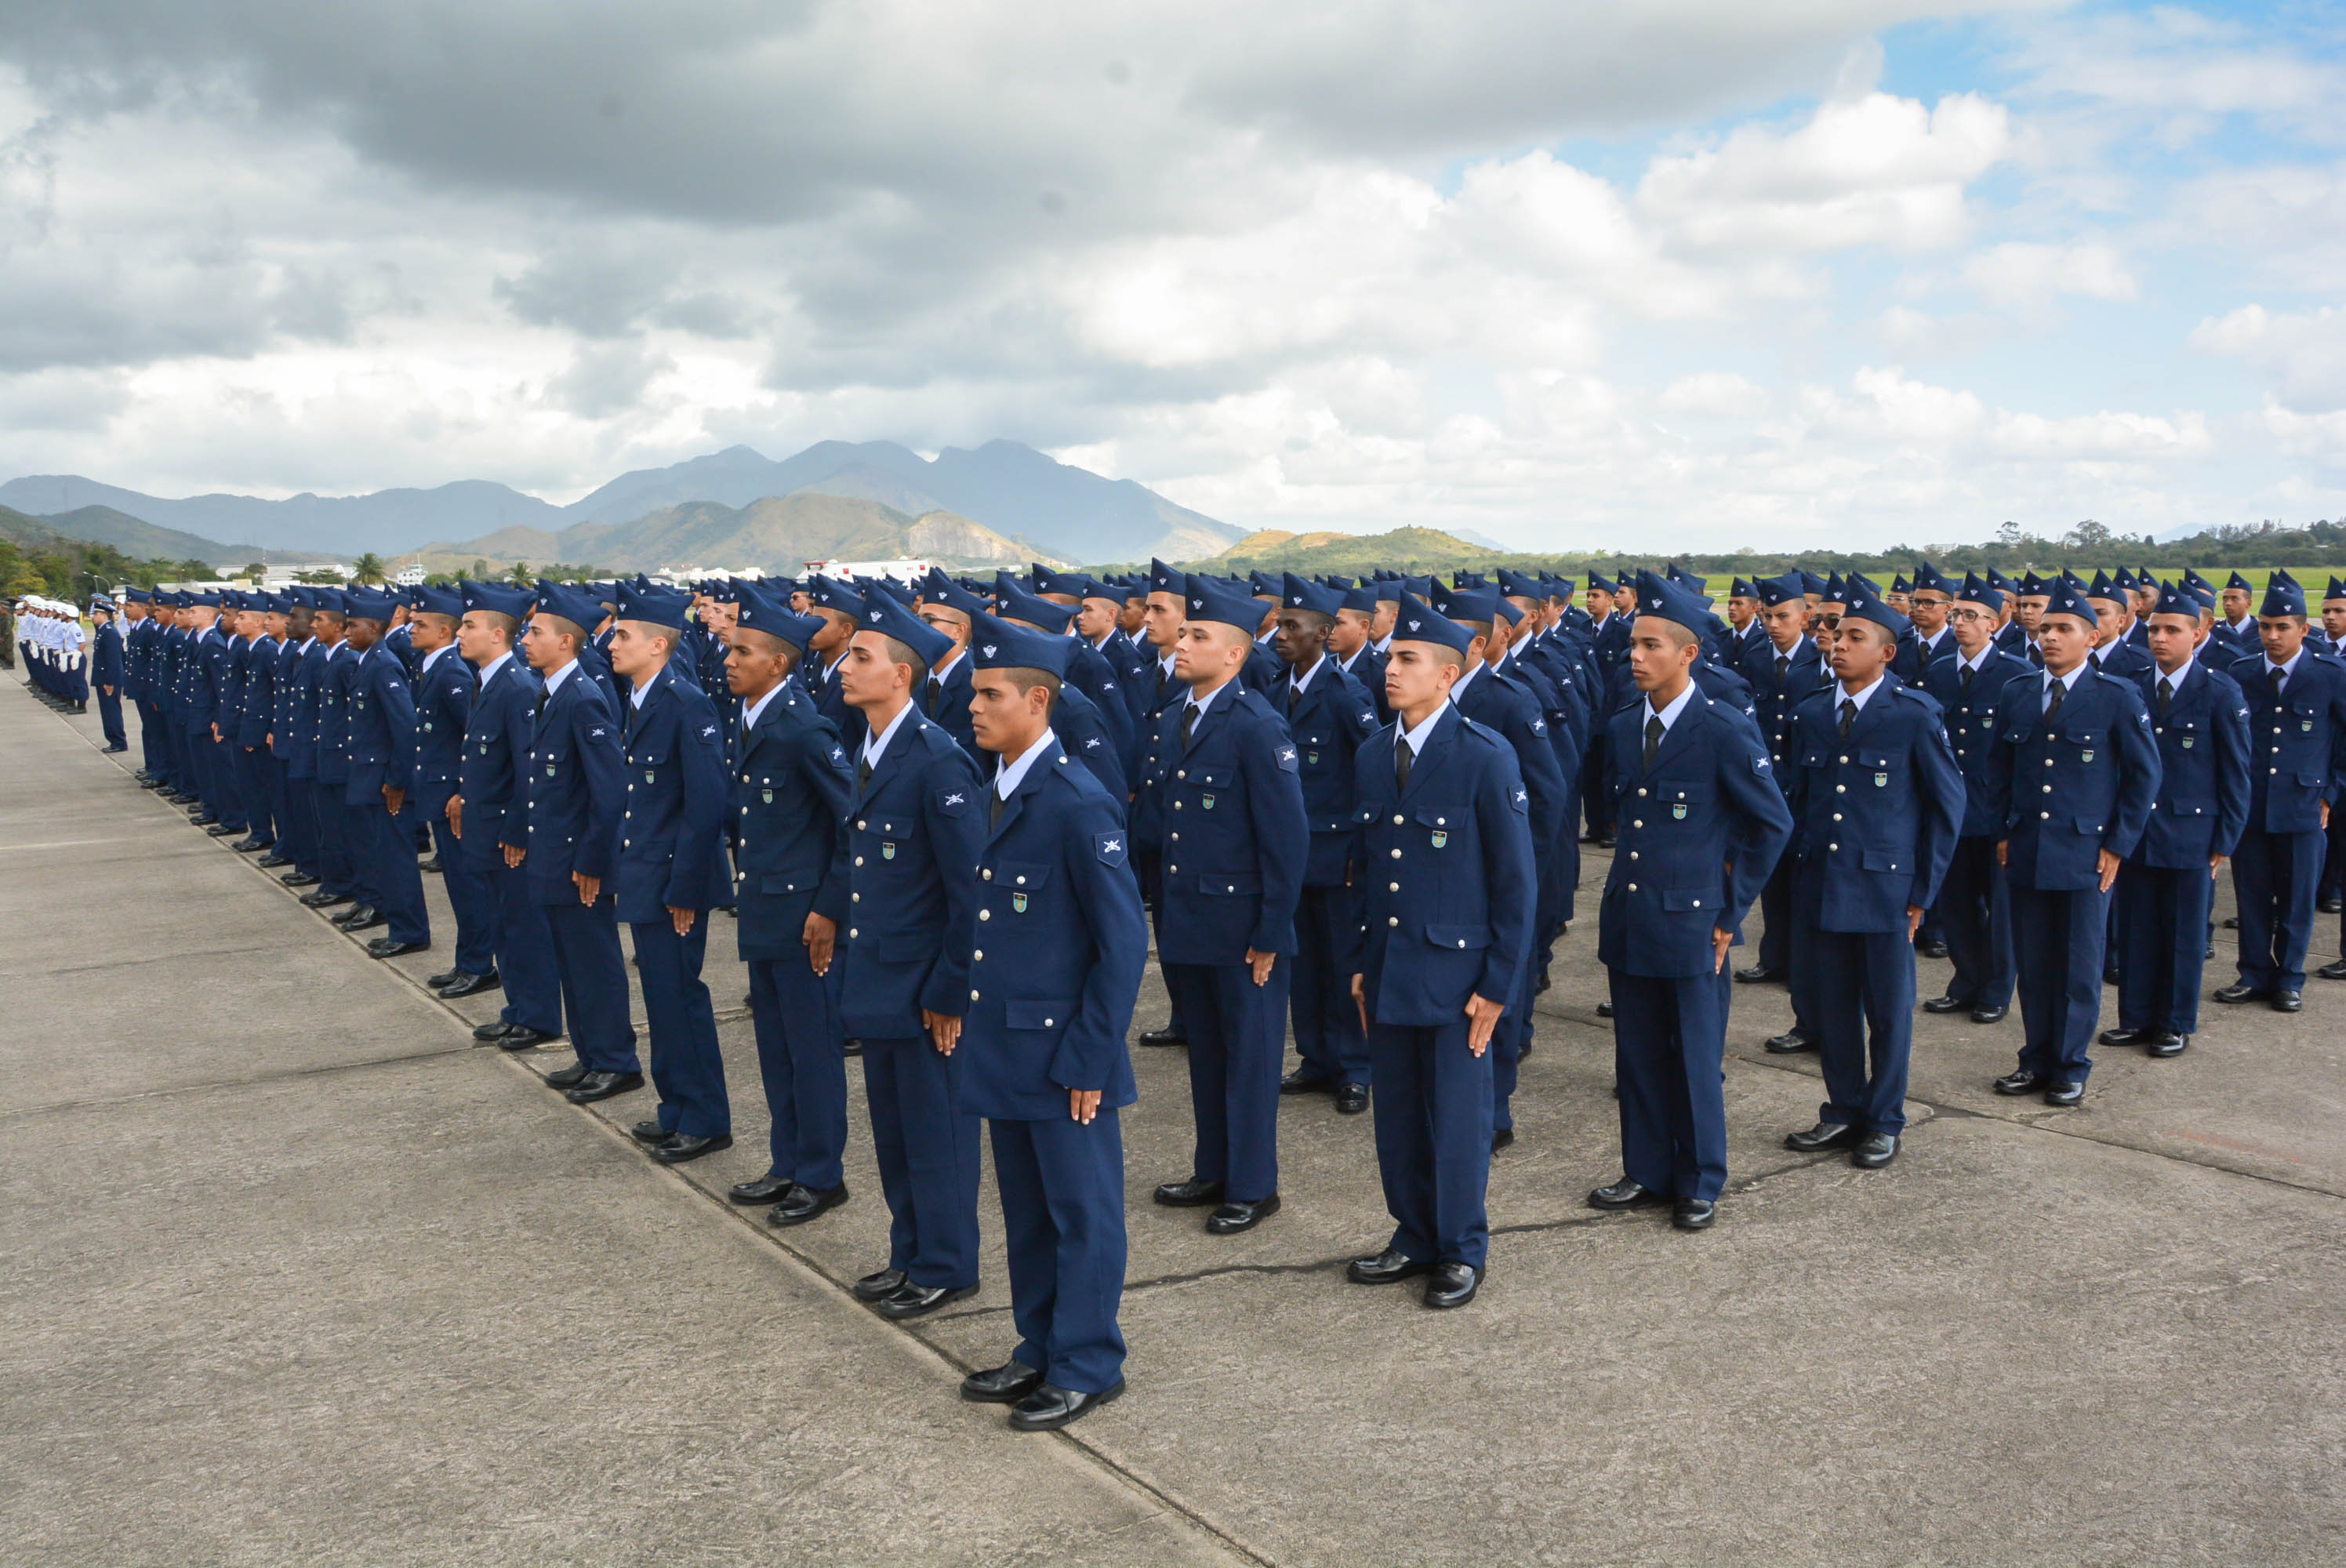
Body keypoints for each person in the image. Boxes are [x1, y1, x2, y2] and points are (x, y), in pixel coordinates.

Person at [951, 620, 1147, 1432]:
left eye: (991, 694)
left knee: (1083, 1212)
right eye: (972, 692)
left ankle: (1088, 1360)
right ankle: (1040, 1342)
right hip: (1006, 1043)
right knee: (1029, 1213)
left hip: (1065, 1054)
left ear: (1038, 701)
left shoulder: (1075, 801)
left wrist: (1091, 1057)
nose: (974, 706)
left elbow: (1123, 942)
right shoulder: (998, 785)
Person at [1342, 592, 1534, 1308]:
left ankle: (1460, 1247)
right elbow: (1369, 872)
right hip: (1392, 967)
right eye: (1391, 657)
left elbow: (1516, 883)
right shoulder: (1372, 754)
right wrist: (1363, 963)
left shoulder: (1484, 757)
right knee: (1397, 1113)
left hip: (1458, 975)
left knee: (1458, 1120)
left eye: (1406, 658)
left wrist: (1497, 986)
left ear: (1447, 675)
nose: (1390, 669)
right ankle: (1413, 1233)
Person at [1587, 572, 1791, 1231]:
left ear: (1687, 653)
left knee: (1694, 1057)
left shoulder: (1723, 728)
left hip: (1694, 921)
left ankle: (1700, 1177)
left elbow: (1771, 824)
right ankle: (1646, 1169)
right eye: (1632, 645)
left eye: (1650, 645)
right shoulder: (1623, 726)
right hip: (1632, 913)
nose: (1636, 657)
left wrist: (1731, 912)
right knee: (1638, 1052)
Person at [820, 589, 986, 1316]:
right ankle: (910, 1251)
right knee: (893, 1131)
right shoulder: (874, 748)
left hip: (923, 988)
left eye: (862, 658)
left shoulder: (937, 762)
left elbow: (967, 893)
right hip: (881, 980)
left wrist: (950, 989)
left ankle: (948, 1263)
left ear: (902, 676)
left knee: (936, 1133)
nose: (846, 669)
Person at [1143, 573, 1308, 1236]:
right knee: (1208, 1053)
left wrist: (1271, 931)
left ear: (1234, 655)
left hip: (1244, 930)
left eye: (1198, 635)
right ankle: (1213, 1167)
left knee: (1249, 1058)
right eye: (1184, 633)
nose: (1183, 644)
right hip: (1190, 921)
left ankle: (1253, 1185)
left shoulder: (1257, 727)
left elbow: (1286, 840)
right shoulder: (1171, 719)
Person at [1778, 583, 1963, 1168]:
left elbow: (1945, 807)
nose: (1838, 645)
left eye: (1856, 637)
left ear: (1886, 653)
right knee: (1833, 1008)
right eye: (1836, 634)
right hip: (1825, 884)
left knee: (1887, 1011)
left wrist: (1922, 893)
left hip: (1886, 889)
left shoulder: (1912, 714)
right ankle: (1842, 1110)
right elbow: (1800, 801)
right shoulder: (1810, 711)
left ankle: (1884, 1118)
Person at [1985, 573, 2162, 1107]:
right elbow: (1998, 769)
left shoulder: (2116, 697)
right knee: (2034, 964)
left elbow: (2143, 777)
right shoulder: (2017, 692)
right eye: (2046, 628)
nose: (2050, 637)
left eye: (2064, 628)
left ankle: (2070, 1063)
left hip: (2087, 852)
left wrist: (2118, 845)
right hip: (2028, 847)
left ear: (2092, 638)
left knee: (2079, 968)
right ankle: (2035, 1058)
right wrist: (2003, 831)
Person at [722, 580, 858, 1225]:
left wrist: (830, 908)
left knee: (813, 1051)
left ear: (778, 663)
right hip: (765, 912)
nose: (729, 659)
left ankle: (822, 1174)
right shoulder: (749, 718)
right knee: (776, 1050)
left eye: (743, 651)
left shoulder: (804, 727)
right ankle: (787, 1162)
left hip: (806, 920)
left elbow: (849, 824)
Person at [602, 582, 735, 1161]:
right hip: (647, 876)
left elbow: (706, 805)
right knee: (659, 997)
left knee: (681, 997)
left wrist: (685, 888)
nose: (611, 642)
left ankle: (705, 1117)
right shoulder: (640, 698)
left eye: (624, 635)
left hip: (674, 883)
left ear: (659, 644)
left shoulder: (685, 703)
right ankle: (675, 1105)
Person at [2102, 581, 2250, 1055]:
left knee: (2184, 934)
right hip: (2138, 833)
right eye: (2154, 628)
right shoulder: (2133, 688)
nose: (2159, 637)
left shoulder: (2220, 691)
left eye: (2172, 630)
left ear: (2199, 633)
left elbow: (2236, 774)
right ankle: (2137, 1017)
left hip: (2192, 832)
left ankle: (2176, 1021)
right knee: (2137, 930)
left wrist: (2225, 841)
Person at [514, 579, 641, 1105]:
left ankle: (617, 1060)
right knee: (571, 961)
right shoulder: (554, 692)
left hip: (579, 862)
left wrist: (591, 860)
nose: (525, 638)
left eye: (536, 632)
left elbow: (609, 793)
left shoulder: (583, 697)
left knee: (594, 963)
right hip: (556, 857)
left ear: (565, 641)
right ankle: (591, 1054)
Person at [1272, 573, 1381, 1116]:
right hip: (1294, 855)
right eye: (1279, 624)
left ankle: (1354, 1067)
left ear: (1323, 632)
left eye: (1292, 626)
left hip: (1337, 855)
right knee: (1304, 962)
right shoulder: (1275, 689)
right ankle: (1315, 1057)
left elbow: (1373, 773)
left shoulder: (1345, 694)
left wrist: (1361, 853)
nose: (1280, 634)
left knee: (1343, 964)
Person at [2213, 571, 2346, 1012]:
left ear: (2303, 630)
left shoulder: (2330, 675)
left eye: (2282, 627)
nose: (2271, 636)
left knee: (2297, 898)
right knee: (2251, 896)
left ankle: (2289, 979)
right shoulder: (2241, 672)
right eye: (2266, 626)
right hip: (2251, 804)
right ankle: (2252, 973)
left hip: (2305, 805)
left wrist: (2331, 792)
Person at [1921, 572, 2033, 1023]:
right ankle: (1966, 980)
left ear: (1994, 623)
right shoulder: (1938, 671)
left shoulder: (2015, 674)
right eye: (1957, 615)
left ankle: (1997, 989)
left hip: (1994, 809)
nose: (1962, 622)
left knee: (2000, 910)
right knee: (1958, 905)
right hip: (1952, 810)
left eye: (1972, 616)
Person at [403, 585, 498, 994]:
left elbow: (470, 738)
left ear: (444, 631)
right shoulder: (433, 666)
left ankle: (480, 963)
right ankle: (467, 960)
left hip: (453, 798)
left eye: (420, 624)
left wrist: (462, 792)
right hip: (439, 794)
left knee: (469, 884)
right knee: (458, 886)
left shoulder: (453, 672)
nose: (410, 628)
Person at [340, 588, 430, 959]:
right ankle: (398, 925)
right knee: (383, 856)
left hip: (387, 784)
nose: (347, 631)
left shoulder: (384, 664)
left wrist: (396, 780)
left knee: (397, 860)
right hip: (371, 779)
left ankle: (410, 930)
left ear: (374, 627)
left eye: (352, 625)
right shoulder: (368, 661)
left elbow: (405, 728)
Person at [89, 598, 127, 750]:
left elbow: (113, 660)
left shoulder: (110, 632)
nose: (93, 617)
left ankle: (118, 741)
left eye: (95, 614)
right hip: (103, 678)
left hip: (108, 680)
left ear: (103, 615)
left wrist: (110, 682)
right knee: (107, 711)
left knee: (111, 711)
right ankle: (113, 739)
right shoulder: (104, 630)